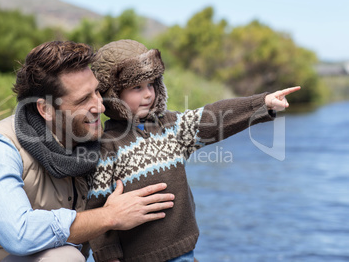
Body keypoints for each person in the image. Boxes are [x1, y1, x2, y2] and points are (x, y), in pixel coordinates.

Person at [86, 39, 301, 262]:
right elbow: (98, 210)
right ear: (112, 94)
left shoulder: (171, 127)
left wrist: (261, 103)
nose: (148, 94)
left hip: (185, 251)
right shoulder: (106, 147)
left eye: (151, 84)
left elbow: (214, 117)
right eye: (137, 88)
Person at [0, 41, 175, 262]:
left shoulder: (98, 144)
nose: (100, 107)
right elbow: (19, 234)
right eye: (84, 100)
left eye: (97, 92)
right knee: (64, 257)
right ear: (46, 109)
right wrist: (109, 216)